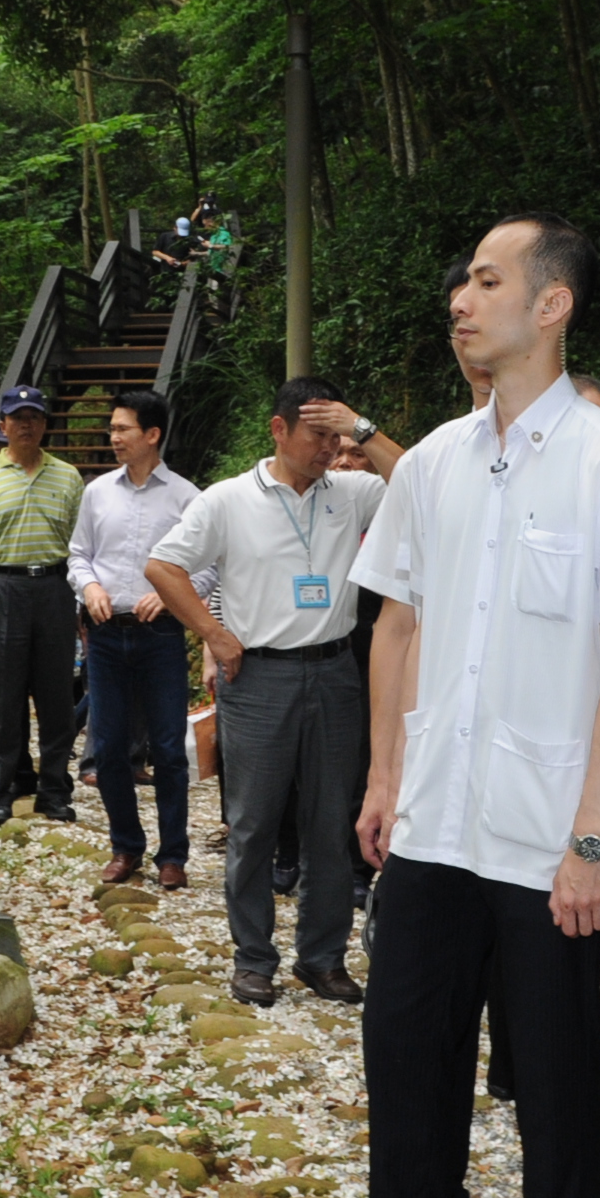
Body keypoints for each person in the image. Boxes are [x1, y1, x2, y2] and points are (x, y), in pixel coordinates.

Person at [285, 213, 600, 1198]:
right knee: (404, 1042)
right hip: (434, 814)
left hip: (547, 824)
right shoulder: (433, 462)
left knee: (553, 1068)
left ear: (551, 304)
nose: (462, 297)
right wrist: (383, 778)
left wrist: (598, 830)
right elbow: (396, 621)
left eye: (489, 278)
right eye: (460, 277)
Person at [147, 376, 389, 1005]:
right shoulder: (227, 501)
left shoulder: (354, 492)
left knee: (331, 821)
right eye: (317, 435)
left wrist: (359, 426)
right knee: (253, 824)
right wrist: (212, 632)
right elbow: (162, 567)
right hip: (258, 676)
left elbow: (423, 480)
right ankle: (254, 957)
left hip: (336, 671)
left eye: (337, 437)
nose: (329, 449)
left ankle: (322, 956)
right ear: (278, 430)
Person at [70, 388, 203, 888]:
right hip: (105, 635)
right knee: (107, 747)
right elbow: (78, 553)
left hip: (161, 634)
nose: (114, 437)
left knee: (168, 747)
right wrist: (90, 586)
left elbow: (208, 565)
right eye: (112, 428)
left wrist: (170, 597)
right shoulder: (97, 492)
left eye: (123, 428)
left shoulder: (188, 497)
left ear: (152, 435)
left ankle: (174, 855)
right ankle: (126, 847)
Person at [0, 386, 85, 825]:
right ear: (3, 425)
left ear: (45, 424)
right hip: (5, 588)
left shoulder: (68, 477)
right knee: (5, 699)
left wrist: (82, 603)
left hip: (55, 587)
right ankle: (3, 789)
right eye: (18, 417)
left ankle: (54, 790)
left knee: (56, 699)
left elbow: (81, 549)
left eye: (35, 417)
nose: (26, 424)